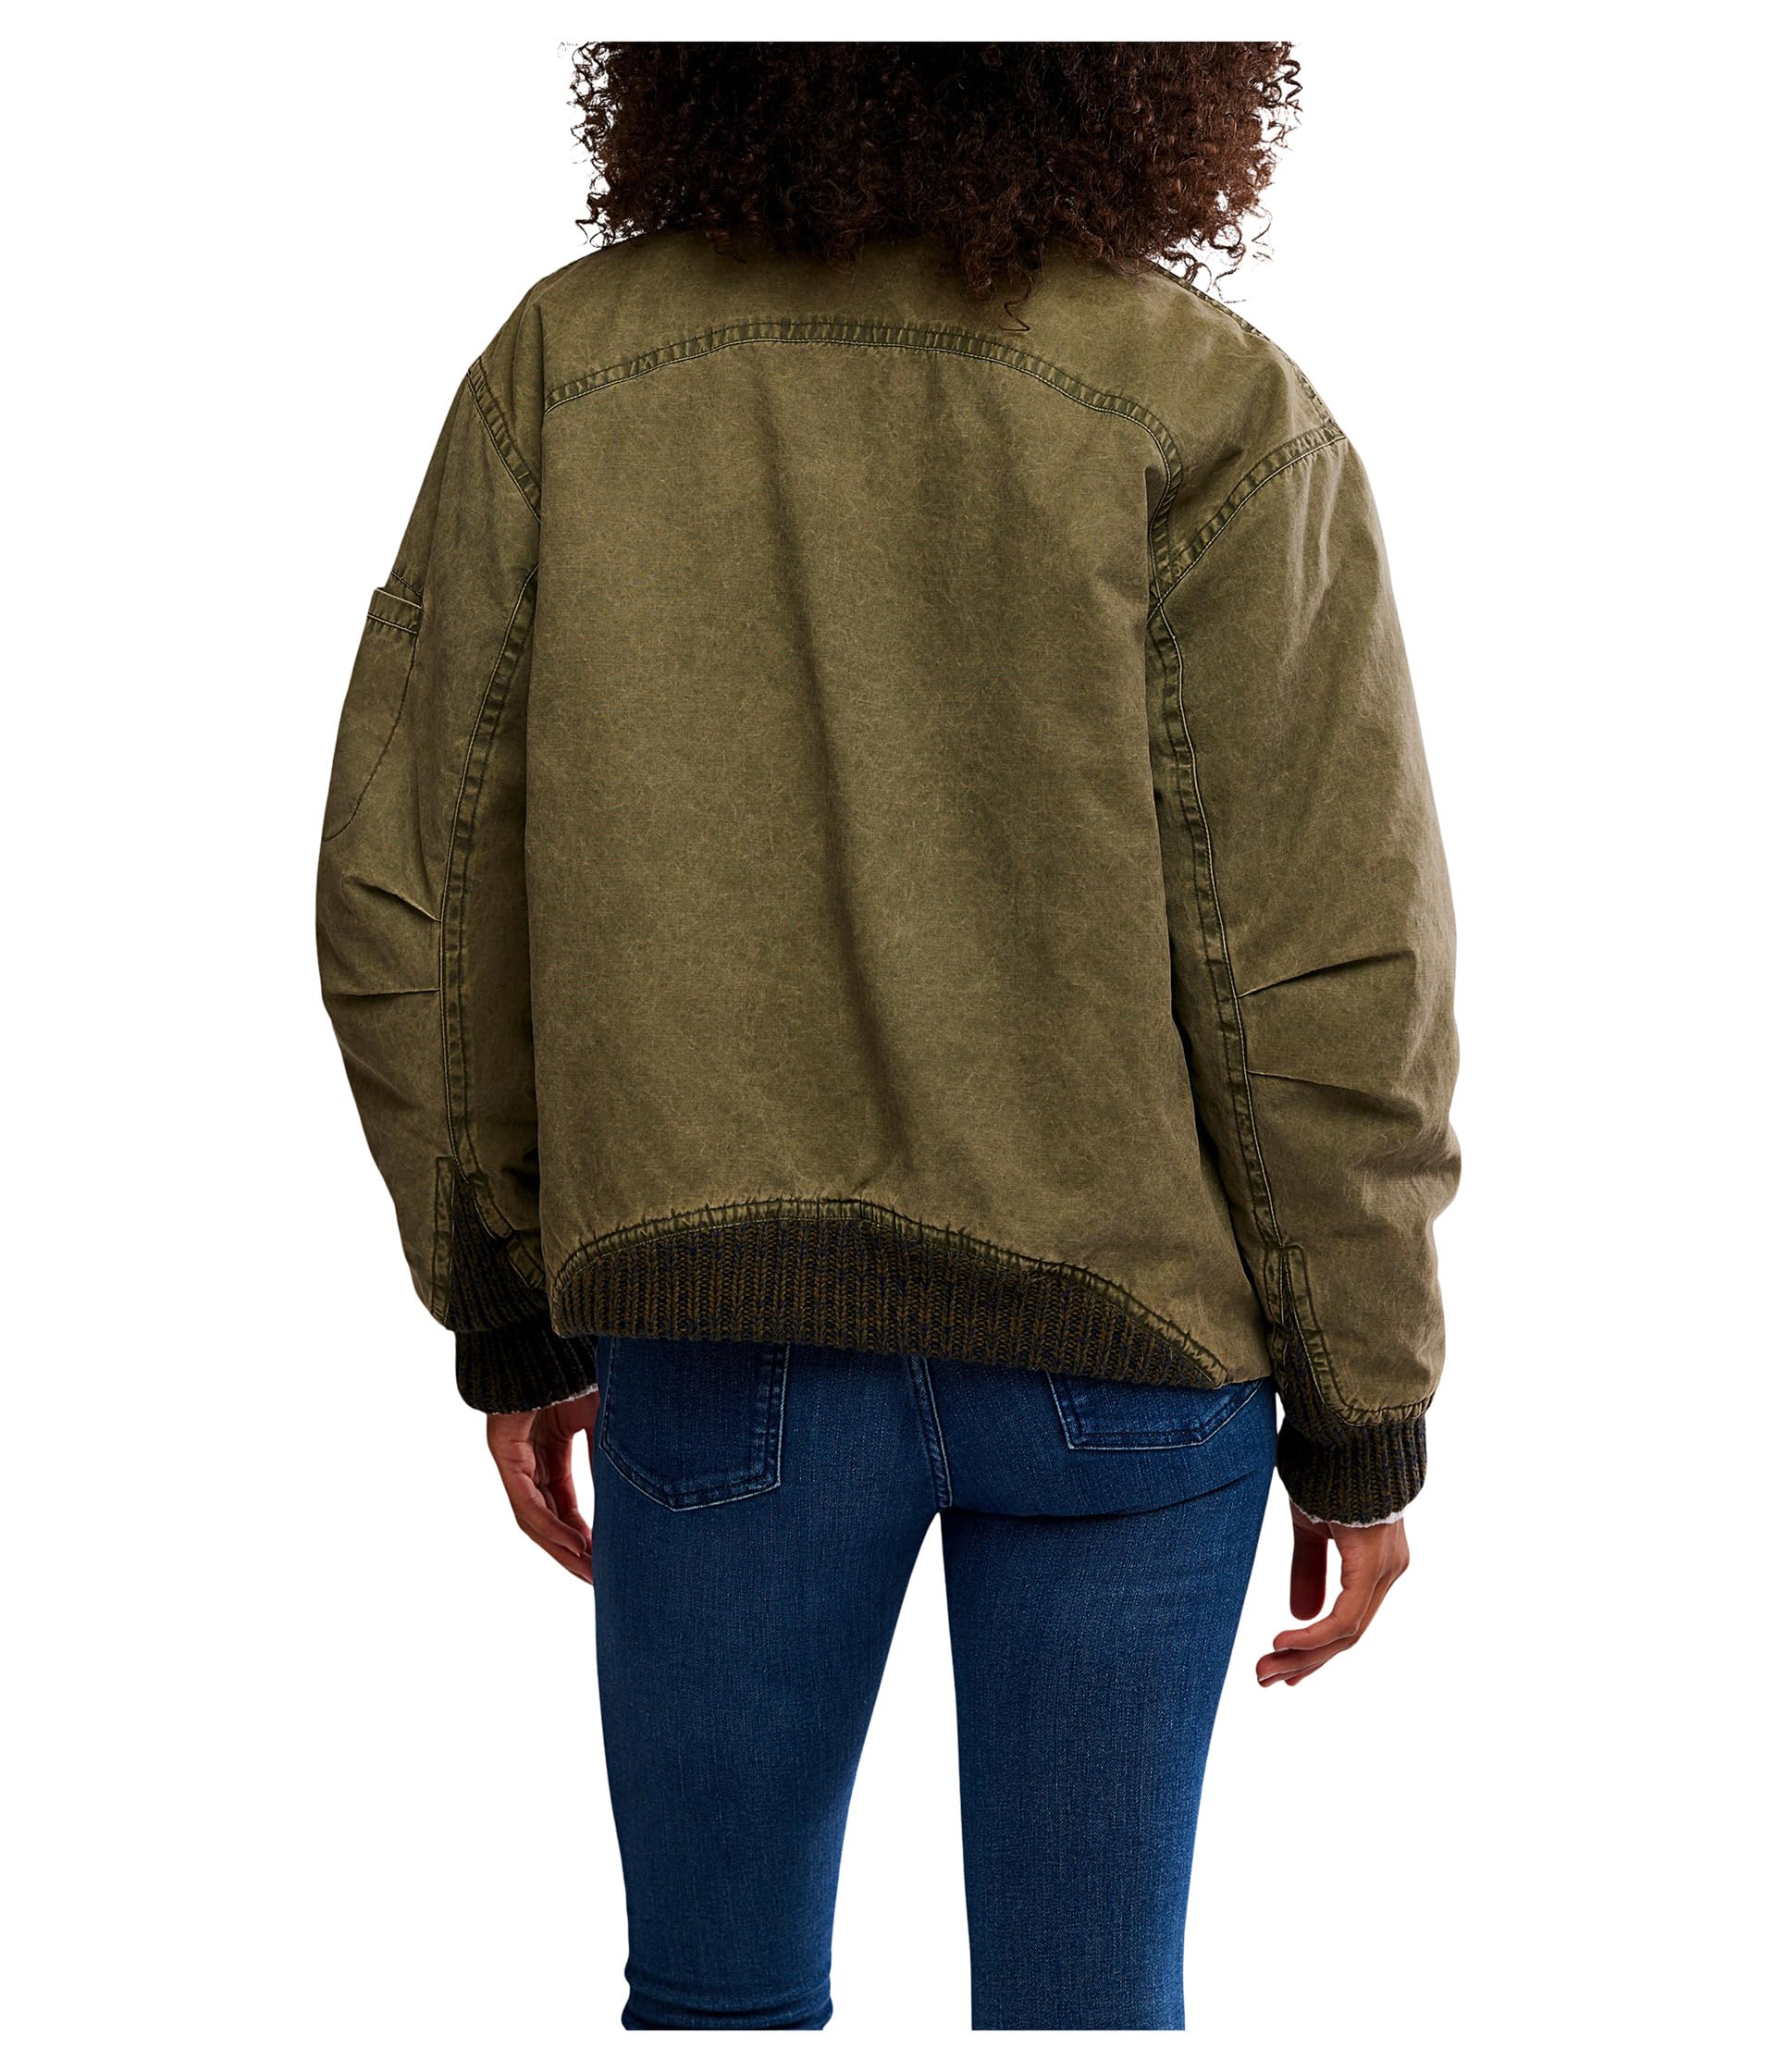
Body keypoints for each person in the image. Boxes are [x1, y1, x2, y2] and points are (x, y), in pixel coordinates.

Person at [315, 42, 1459, 2031]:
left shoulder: (565, 370)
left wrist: (506, 1300)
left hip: (719, 1341)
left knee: (716, 2011)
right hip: (1130, 1360)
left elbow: (411, 898)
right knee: (1087, 2017)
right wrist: (1363, 1418)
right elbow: (1323, 970)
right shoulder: (1210, 404)